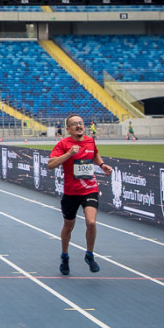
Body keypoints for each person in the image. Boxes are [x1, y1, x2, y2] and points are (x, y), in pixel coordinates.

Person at [48, 114, 113, 275]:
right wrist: (69, 154)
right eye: (74, 124)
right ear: (68, 129)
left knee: (91, 222)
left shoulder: (90, 141)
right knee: (68, 226)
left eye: (80, 123)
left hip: (90, 189)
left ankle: (89, 255)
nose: (78, 126)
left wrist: (102, 165)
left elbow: (95, 153)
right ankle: (64, 256)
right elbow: (51, 164)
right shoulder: (63, 144)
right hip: (71, 192)